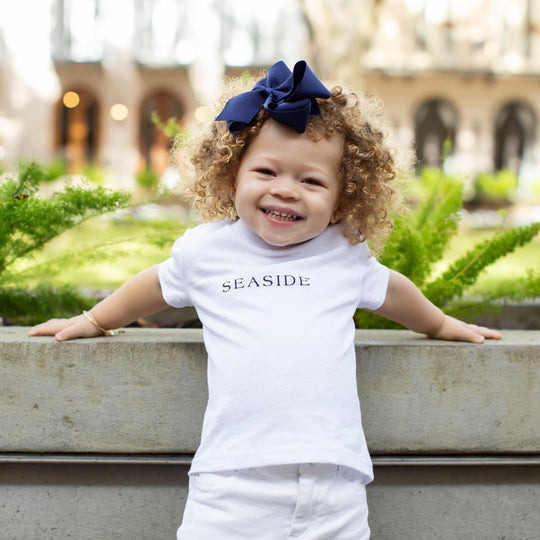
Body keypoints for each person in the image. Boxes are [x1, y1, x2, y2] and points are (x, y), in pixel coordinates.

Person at [30, 60, 501, 539]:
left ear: (342, 199)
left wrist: (442, 325)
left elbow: (393, 291)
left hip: (333, 482)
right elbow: (154, 285)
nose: (285, 190)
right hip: (232, 481)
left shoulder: (343, 253)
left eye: (312, 181)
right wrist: (94, 318)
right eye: (266, 171)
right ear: (233, 175)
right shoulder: (207, 250)